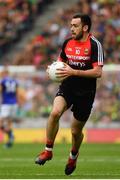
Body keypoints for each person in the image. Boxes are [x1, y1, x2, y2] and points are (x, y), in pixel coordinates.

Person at [35, 13, 104, 175]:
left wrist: (74, 71)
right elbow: (60, 64)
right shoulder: (67, 43)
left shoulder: (95, 45)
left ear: (85, 27)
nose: (71, 29)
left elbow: (98, 72)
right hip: (68, 87)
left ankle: (73, 155)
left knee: (75, 132)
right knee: (55, 112)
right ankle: (48, 150)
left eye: (75, 26)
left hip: (86, 92)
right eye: (71, 25)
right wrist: (52, 70)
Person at [0, 67, 19, 148]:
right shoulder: (15, 81)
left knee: (1, 123)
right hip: (14, 104)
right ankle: (9, 142)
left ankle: (11, 134)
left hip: (6, 104)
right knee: (8, 124)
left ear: (4, 73)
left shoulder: (3, 81)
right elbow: (17, 93)